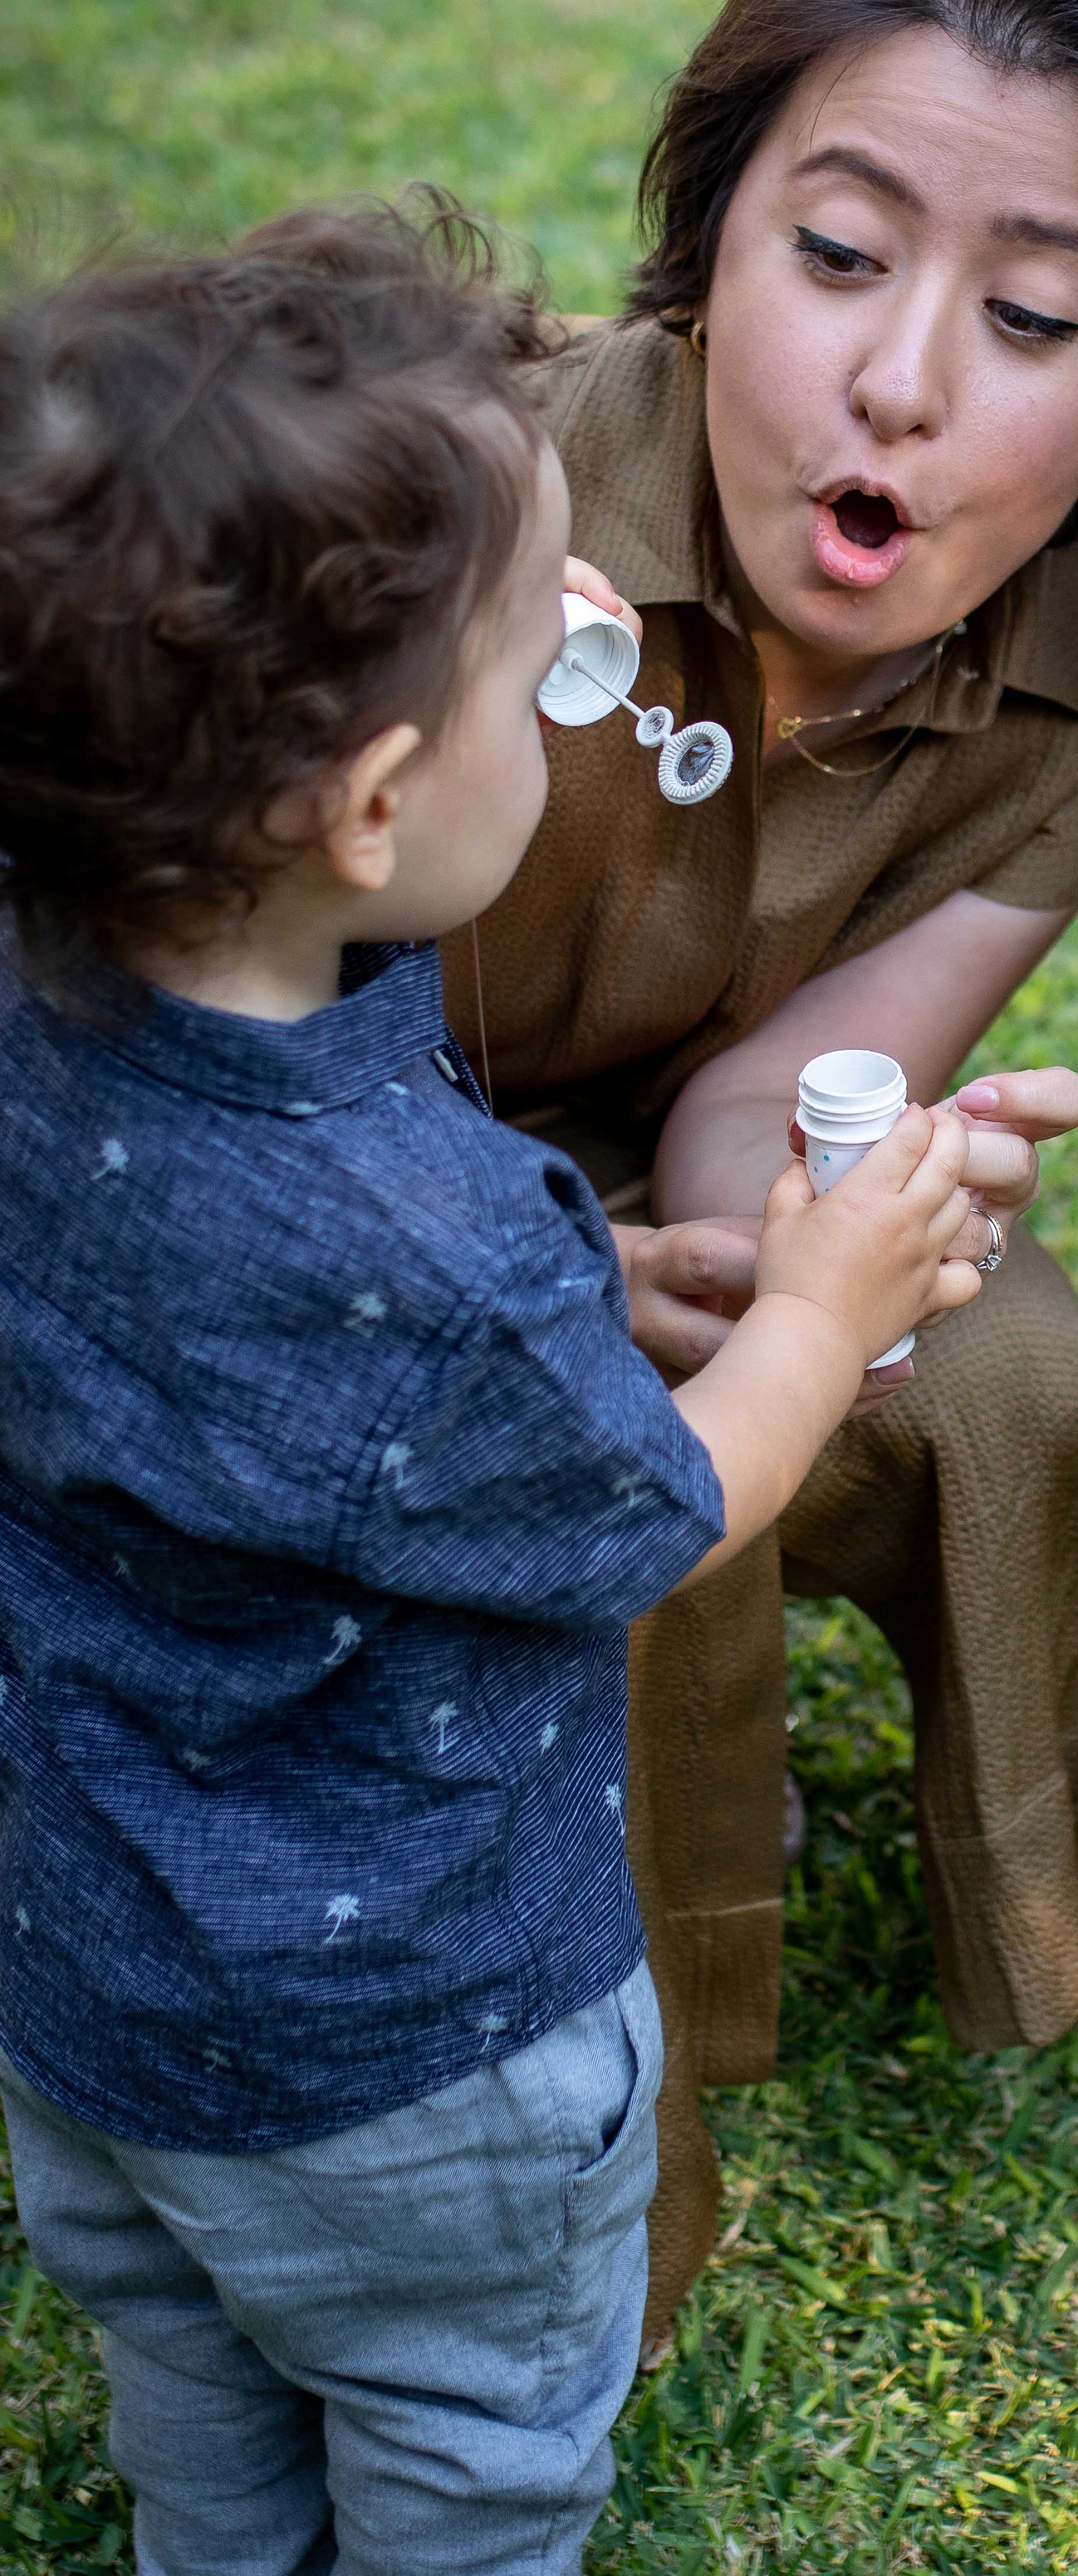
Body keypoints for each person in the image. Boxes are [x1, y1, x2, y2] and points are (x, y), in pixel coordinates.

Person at [0, 205, 982, 2570]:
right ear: (364, 807)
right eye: (544, 637)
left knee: (203, 2417)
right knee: (468, 2454)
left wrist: (575, 1277)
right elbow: (664, 1503)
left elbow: (268, 1385)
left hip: (90, 2004)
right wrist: (821, 1315)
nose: (588, 663)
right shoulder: (421, 1274)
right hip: (418, 2068)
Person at [443, 0, 1078, 2340]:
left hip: (661, 1152)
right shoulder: (468, 500)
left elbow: (808, 1062)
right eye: (836, 255)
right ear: (708, 250)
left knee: (960, 1349)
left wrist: (809, 1219)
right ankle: (586, 1958)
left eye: (1024, 322)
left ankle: (1036, 1864)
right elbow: (199, 1030)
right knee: (545, 1384)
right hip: (300, 1150)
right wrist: (526, 1269)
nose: (901, 381)